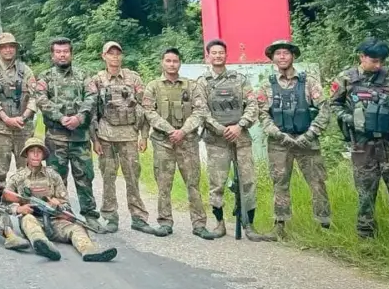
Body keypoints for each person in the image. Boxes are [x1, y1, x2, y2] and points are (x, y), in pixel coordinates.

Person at [330, 38, 389, 238]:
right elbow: (333, 105)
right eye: (374, 60)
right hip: (362, 144)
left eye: (381, 61)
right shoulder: (346, 79)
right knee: (366, 190)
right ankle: (365, 235)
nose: (378, 65)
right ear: (362, 57)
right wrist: (352, 119)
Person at [197, 39, 273, 241]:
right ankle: (220, 224)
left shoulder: (240, 79)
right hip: (216, 141)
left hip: (241, 139)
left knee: (248, 182)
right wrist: (222, 129)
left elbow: (253, 106)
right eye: (214, 53)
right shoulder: (203, 82)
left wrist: (239, 126)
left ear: (226, 55)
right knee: (217, 184)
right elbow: (202, 111)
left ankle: (249, 225)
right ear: (208, 56)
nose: (218, 56)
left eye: (221, 52)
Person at [140, 49, 217, 239]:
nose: (172, 64)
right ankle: (165, 222)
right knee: (164, 185)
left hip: (187, 142)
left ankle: (199, 224)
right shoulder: (153, 86)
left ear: (180, 63)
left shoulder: (191, 86)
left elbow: (200, 111)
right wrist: (169, 131)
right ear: (162, 63)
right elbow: (149, 112)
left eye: (175, 61)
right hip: (163, 143)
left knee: (193, 184)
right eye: (168, 60)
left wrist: (182, 131)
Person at [259, 39, 331, 237]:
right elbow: (262, 114)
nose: (282, 57)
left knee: (317, 182)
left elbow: (324, 109)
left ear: (293, 56)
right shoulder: (267, 84)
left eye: (286, 53)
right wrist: (278, 134)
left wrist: (311, 133)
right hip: (279, 143)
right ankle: (280, 225)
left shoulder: (308, 81)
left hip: (307, 140)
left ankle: (324, 226)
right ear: (272, 58)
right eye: (278, 53)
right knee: (280, 183)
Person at [2, 137, 117, 262]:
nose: (35, 154)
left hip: (54, 220)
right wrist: (19, 208)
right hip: (33, 219)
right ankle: (43, 245)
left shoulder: (53, 175)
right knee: (28, 220)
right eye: (32, 151)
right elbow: (4, 203)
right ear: (26, 154)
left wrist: (59, 204)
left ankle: (89, 251)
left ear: (43, 155)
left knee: (76, 227)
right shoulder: (17, 178)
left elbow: (65, 202)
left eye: (39, 152)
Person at [87, 41, 159, 234]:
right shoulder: (97, 80)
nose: (115, 57)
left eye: (118, 54)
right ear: (104, 56)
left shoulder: (133, 78)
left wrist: (144, 136)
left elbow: (144, 107)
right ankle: (110, 217)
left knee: (133, 177)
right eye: (110, 54)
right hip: (106, 137)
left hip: (129, 136)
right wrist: (94, 139)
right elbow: (92, 111)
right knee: (108, 178)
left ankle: (138, 218)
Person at [34, 37, 99, 220]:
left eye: (65, 52)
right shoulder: (45, 77)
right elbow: (41, 100)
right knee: (56, 179)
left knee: (85, 177)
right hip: (56, 139)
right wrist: (61, 117)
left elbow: (92, 97)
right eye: (58, 52)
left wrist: (80, 117)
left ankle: (90, 215)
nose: (62, 55)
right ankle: (61, 214)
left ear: (71, 53)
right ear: (52, 55)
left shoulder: (83, 75)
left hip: (80, 138)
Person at [0, 32, 39, 188]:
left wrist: (24, 116)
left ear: (15, 48)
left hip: (23, 129)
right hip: (1, 130)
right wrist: (6, 118)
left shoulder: (26, 70)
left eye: (11, 46)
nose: (8, 50)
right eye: (4, 47)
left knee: (27, 171)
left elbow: (35, 96)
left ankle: (25, 204)